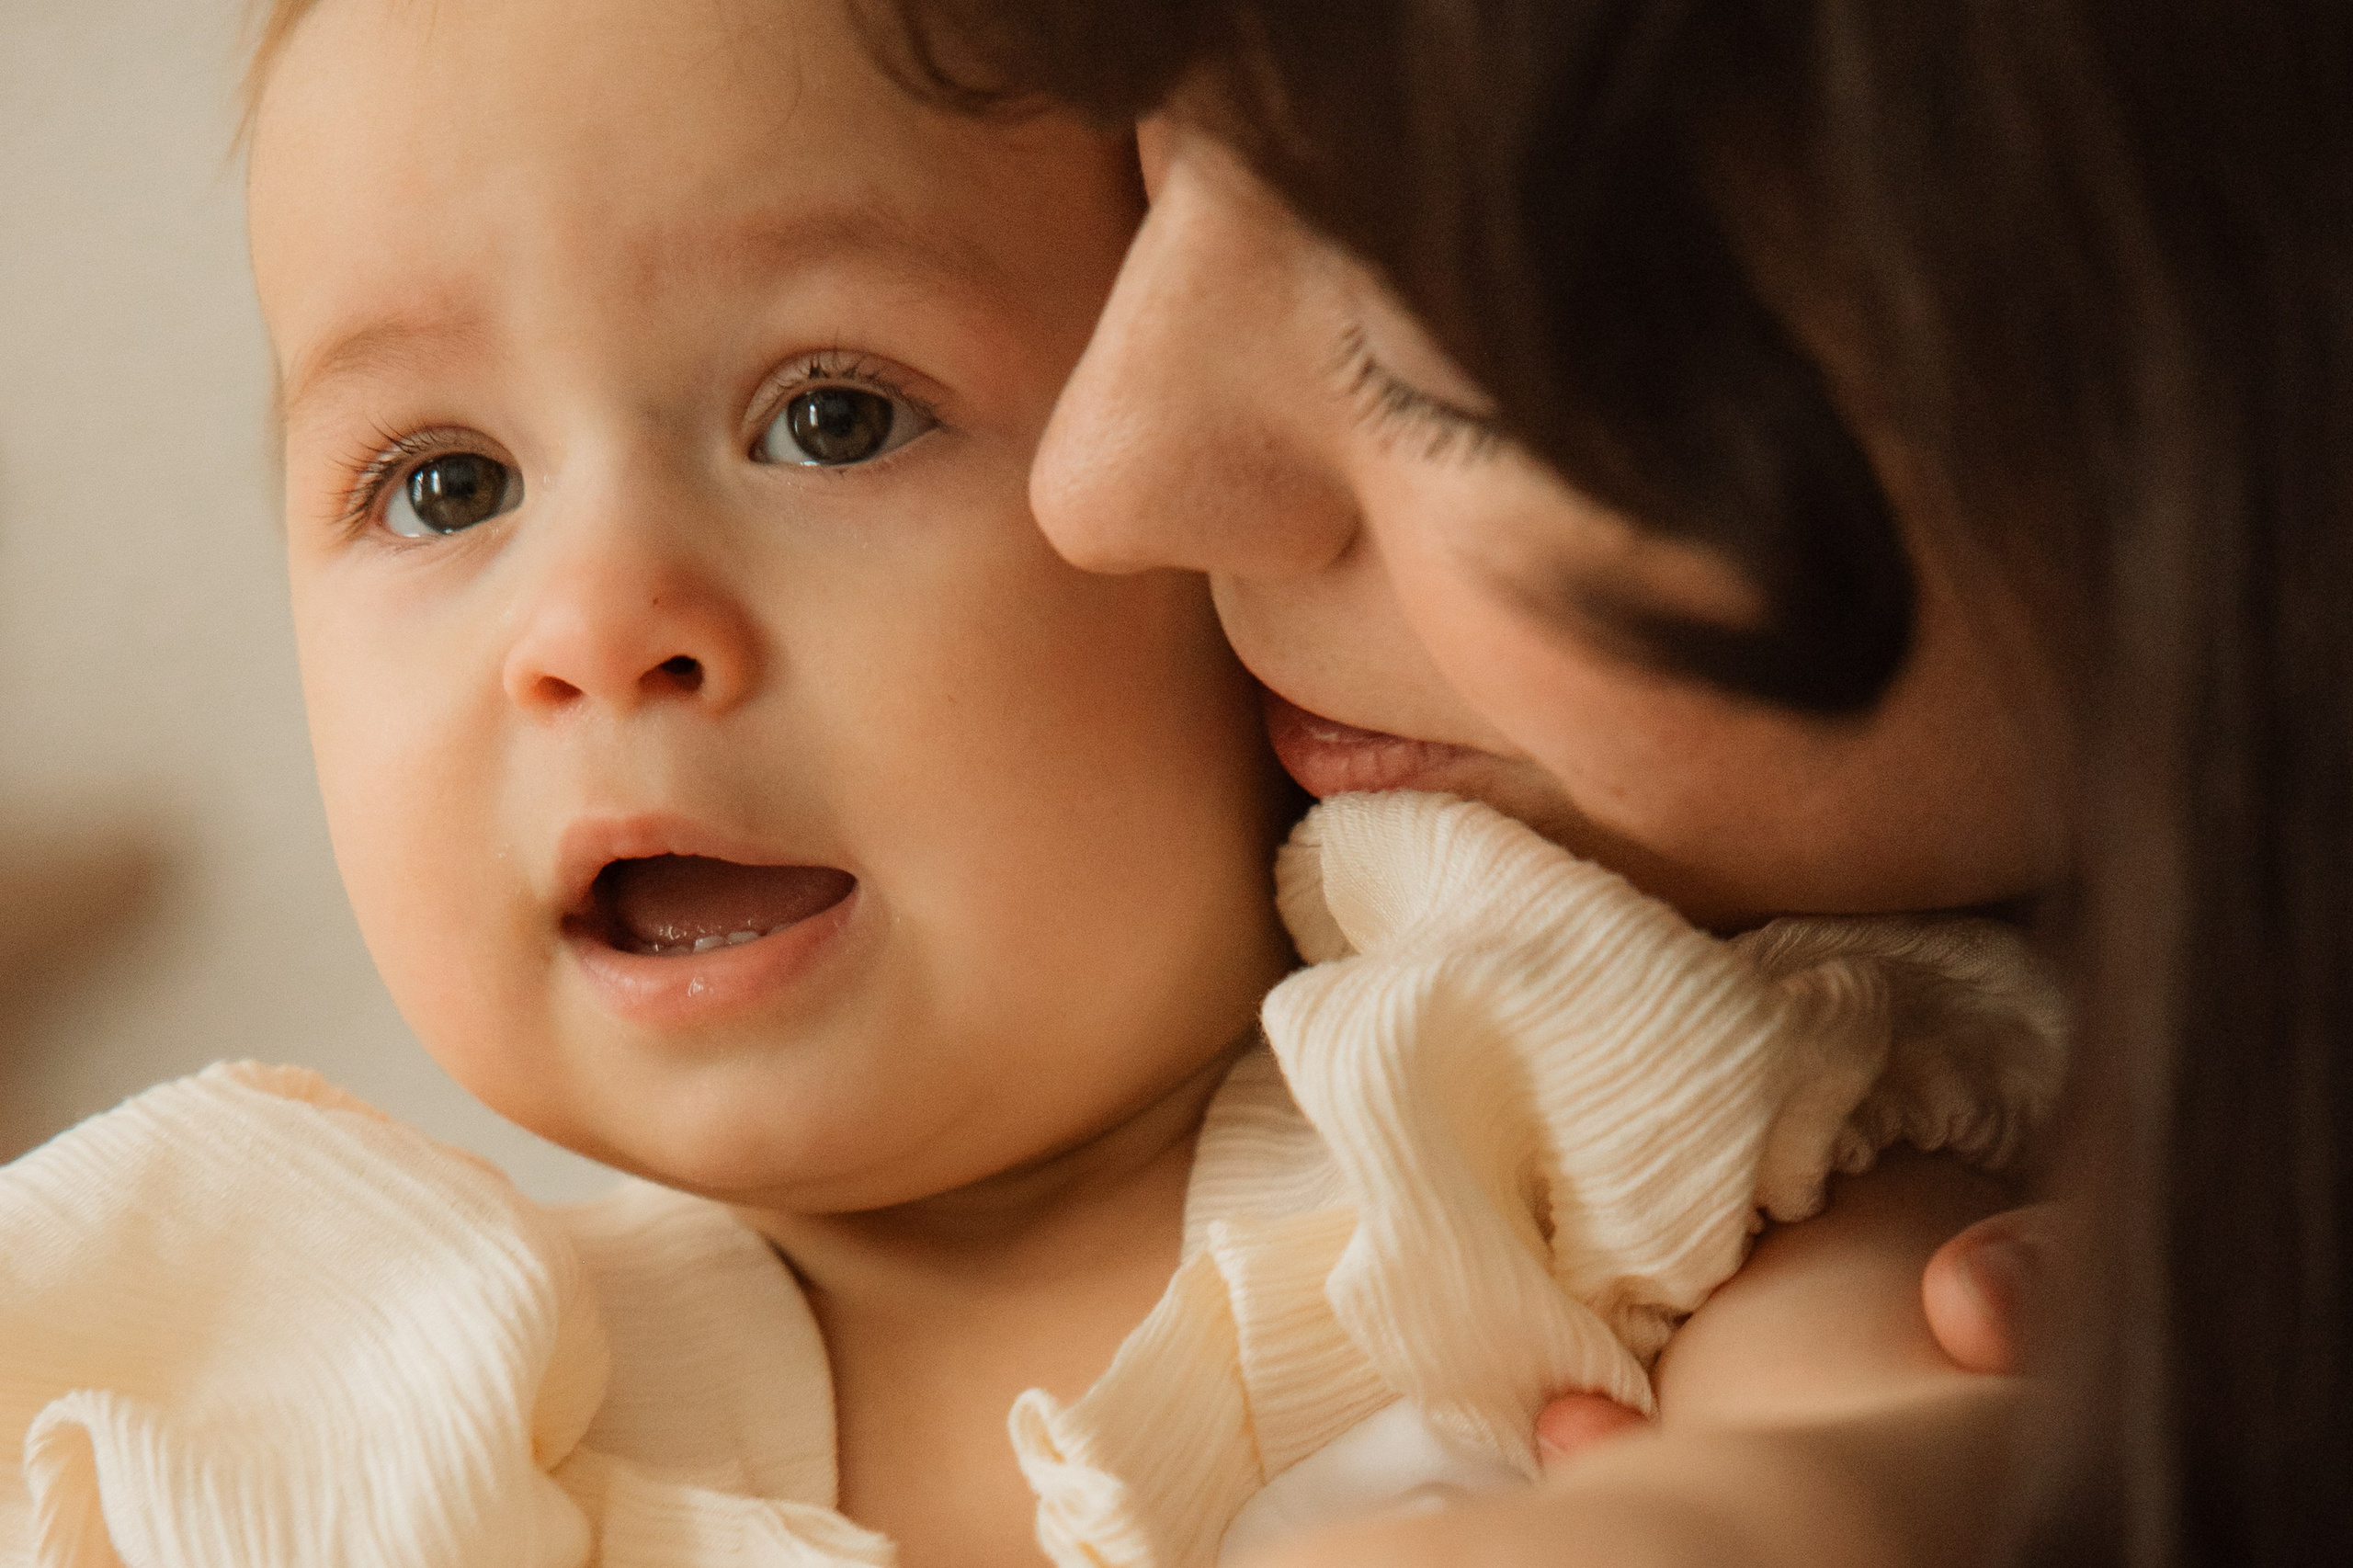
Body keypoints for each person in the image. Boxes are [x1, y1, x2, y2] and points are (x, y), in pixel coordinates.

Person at [0, 0, 2067, 1564]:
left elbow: (1902, 1444)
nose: (598, 623)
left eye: (831, 418)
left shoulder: (1522, 1087)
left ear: (1211, 518)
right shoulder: (258, 1387)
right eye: (443, 484)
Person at [870, 0, 2353, 1562]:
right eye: (1157, 158)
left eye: (1439, 351)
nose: (1100, 483)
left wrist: (1788, 1501)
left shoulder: (1802, 1077)